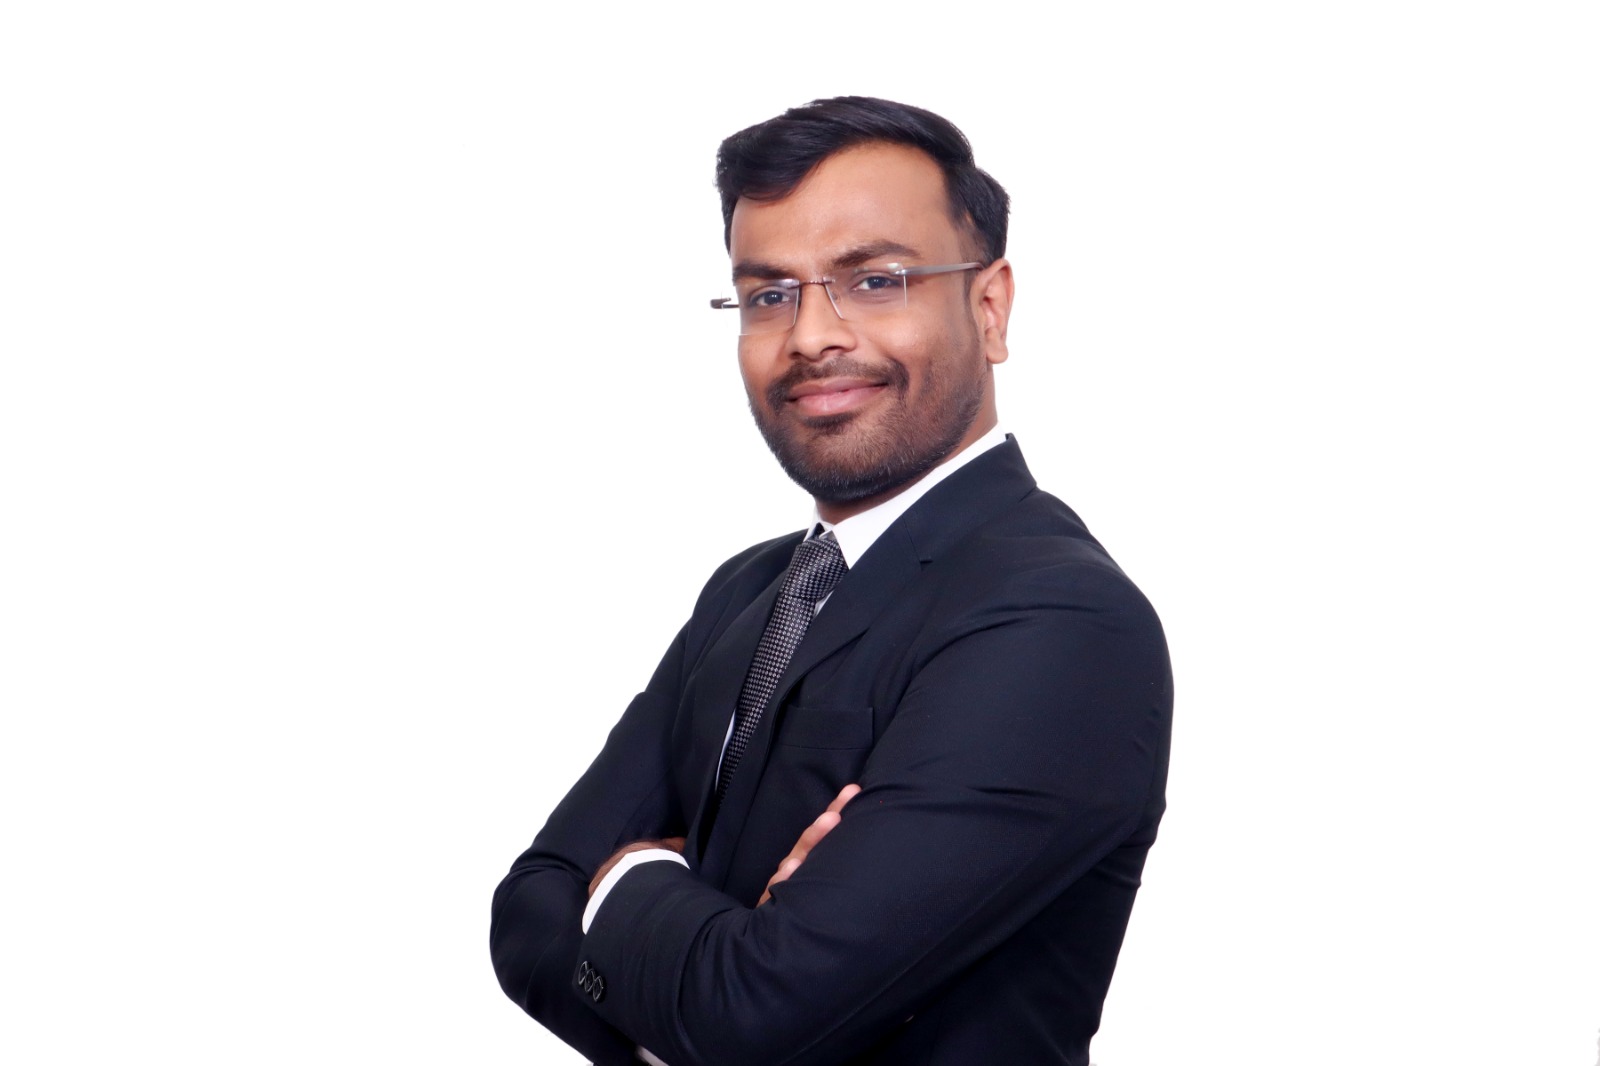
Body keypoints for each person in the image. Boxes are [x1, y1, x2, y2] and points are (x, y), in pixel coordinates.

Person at [490, 96, 1172, 1066]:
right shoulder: (749, 590)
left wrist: (628, 878)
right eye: (769, 294)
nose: (812, 335)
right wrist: (705, 985)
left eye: (875, 281)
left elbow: (755, 1013)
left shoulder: (1058, 622)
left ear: (989, 308)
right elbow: (528, 911)